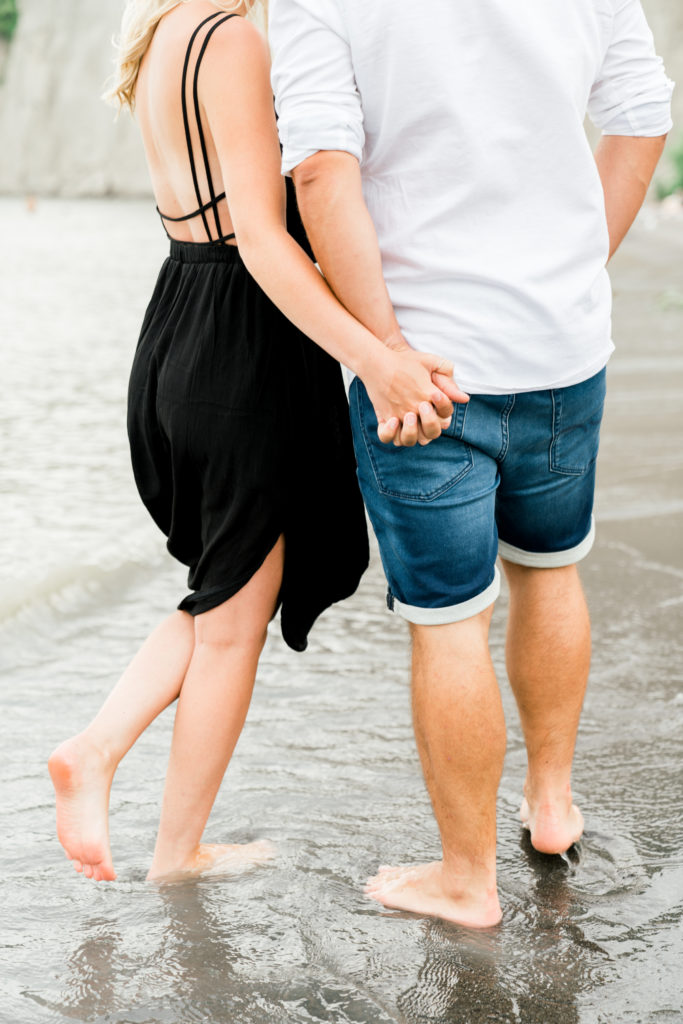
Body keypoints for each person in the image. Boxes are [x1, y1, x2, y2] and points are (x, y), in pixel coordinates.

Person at [270, 0, 674, 926]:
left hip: (424, 363)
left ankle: (465, 879)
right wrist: (576, 267)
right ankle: (551, 804)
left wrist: (382, 353)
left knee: (449, 621)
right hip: (563, 349)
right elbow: (642, 116)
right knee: (549, 568)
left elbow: (323, 170)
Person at [48, 0, 466, 883]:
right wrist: (376, 356)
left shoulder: (168, 35)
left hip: (183, 328)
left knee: (228, 591)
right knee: (233, 620)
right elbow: (266, 243)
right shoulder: (232, 41)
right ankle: (168, 841)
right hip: (243, 348)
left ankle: (101, 757)